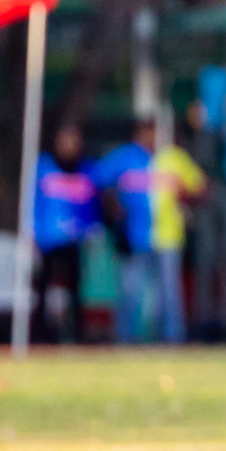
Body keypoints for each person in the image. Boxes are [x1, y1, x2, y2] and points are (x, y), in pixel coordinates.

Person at [96, 118, 161, 344]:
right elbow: (98, 180)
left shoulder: (166, 158)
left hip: (164, 238)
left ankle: (160, 338)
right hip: (132, 237)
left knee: (161, 293)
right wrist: (114, 208)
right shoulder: (125, 157)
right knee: (130, 290)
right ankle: (125, 338)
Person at [33, 124, 100, 342]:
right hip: (48, 238)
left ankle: (76, 333)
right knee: (43, 285)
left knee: (75, 287)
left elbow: (92, 204)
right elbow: (34, 201)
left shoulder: (87, 169)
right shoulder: (44, 166)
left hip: (75, 238)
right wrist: (31, 230)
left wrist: (92, 229)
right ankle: (41, 332)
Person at [150, 127, 208, 343]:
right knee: (138, 290)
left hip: (168, 235)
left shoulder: (176, 159)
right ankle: (138, 336)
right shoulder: (135, 158)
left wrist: (183, 193)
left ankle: (172, 336)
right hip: (137, 236)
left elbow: (202, 189)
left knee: (169, 288)